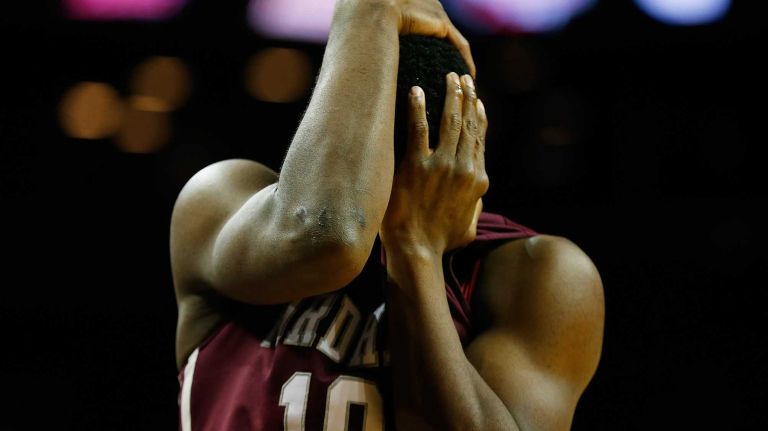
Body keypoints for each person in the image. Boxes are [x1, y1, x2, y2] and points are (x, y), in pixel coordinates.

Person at [170, 0, 604, 429]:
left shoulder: (536, 272)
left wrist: (413, 246)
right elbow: (331, 235)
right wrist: (370, 10)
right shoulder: (218, 201)